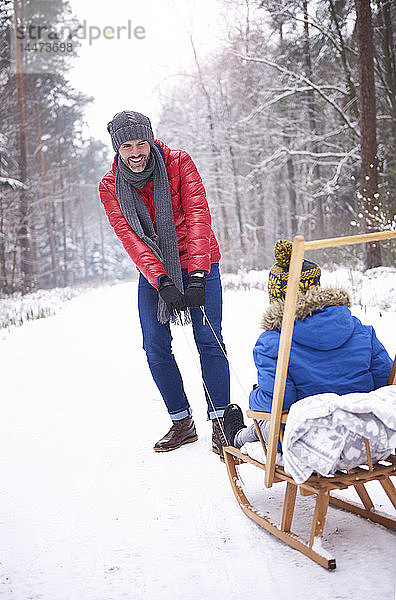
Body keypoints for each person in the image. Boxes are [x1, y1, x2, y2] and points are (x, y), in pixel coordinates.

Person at [99, 110, 230, 455]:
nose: (136, 151)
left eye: (142, 142)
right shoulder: (110, 186)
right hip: (156, 271)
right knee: (155, 345)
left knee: (209, 339)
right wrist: (162, 281)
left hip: (200, 262)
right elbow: (131, 238)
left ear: (151, 140)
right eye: (127, 146)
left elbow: (199, 217)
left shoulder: (178, 162)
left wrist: (199, 275)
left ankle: (221, 423)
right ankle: (182, 422)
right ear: (117, 149)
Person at [223, 240, 393, 449]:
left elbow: (277, 402)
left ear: (277, 298)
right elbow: (386, 382)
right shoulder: (361, 330)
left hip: (308, 442)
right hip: (365, 437)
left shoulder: (272, 342)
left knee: (266, 422)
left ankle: (237, 437)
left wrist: (254, 394)